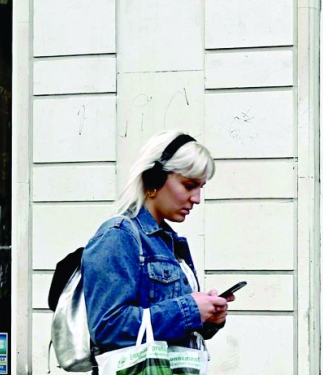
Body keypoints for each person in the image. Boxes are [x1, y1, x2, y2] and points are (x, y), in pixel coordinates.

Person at [84, 130, 231, 356]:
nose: (197, 198)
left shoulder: (168, 243)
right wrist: (190, 309)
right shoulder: (119, 236)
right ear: (154, 179)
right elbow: (107, 328)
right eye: (189, 185)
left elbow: (168, 330)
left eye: (201, 187)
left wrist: (207, 317)